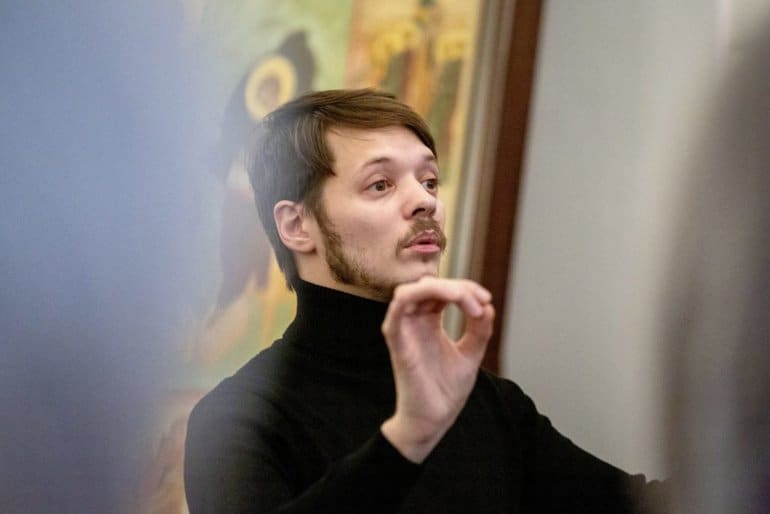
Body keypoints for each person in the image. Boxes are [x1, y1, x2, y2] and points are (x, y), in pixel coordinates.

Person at [184, 89, 664, 513]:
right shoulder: (237, 420)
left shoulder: (489, 404)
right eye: (380, 184)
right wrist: (406, 440)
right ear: (296, 225)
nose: (425, 201)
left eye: (429, 181)